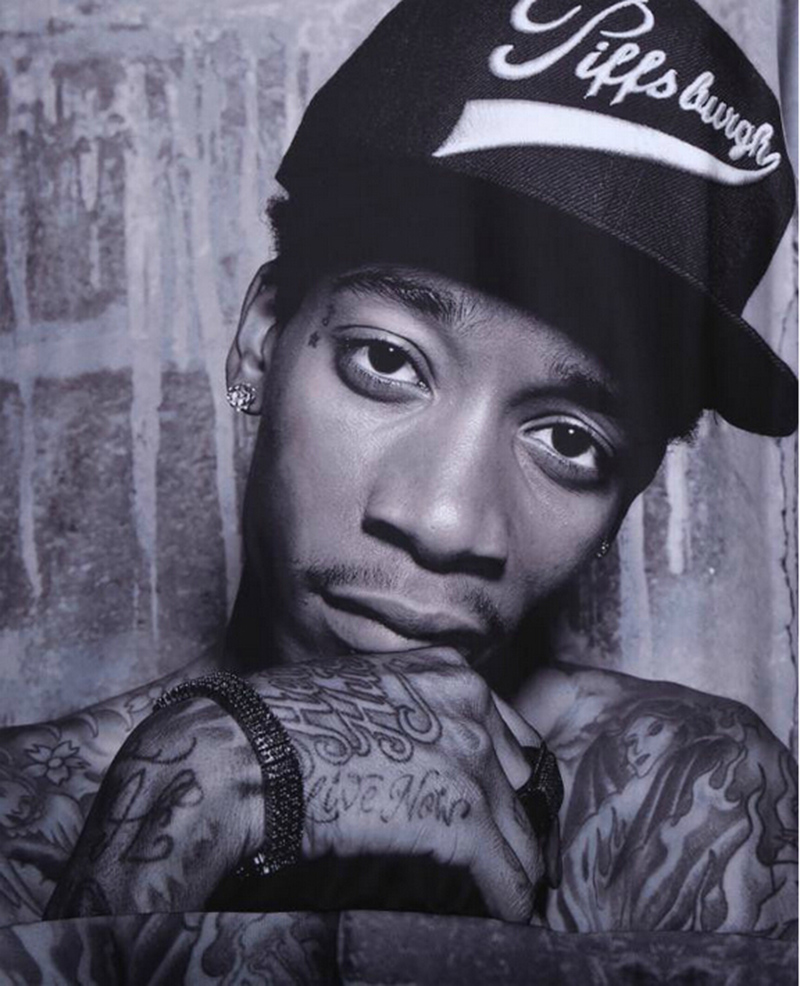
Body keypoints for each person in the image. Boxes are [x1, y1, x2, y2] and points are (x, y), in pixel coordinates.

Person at [0, 0, 797, 948]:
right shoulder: (19, 821)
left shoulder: (680, 801)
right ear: (262, 341)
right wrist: (196, 783)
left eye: (570, 439)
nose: (447, 519)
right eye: (387, 362)